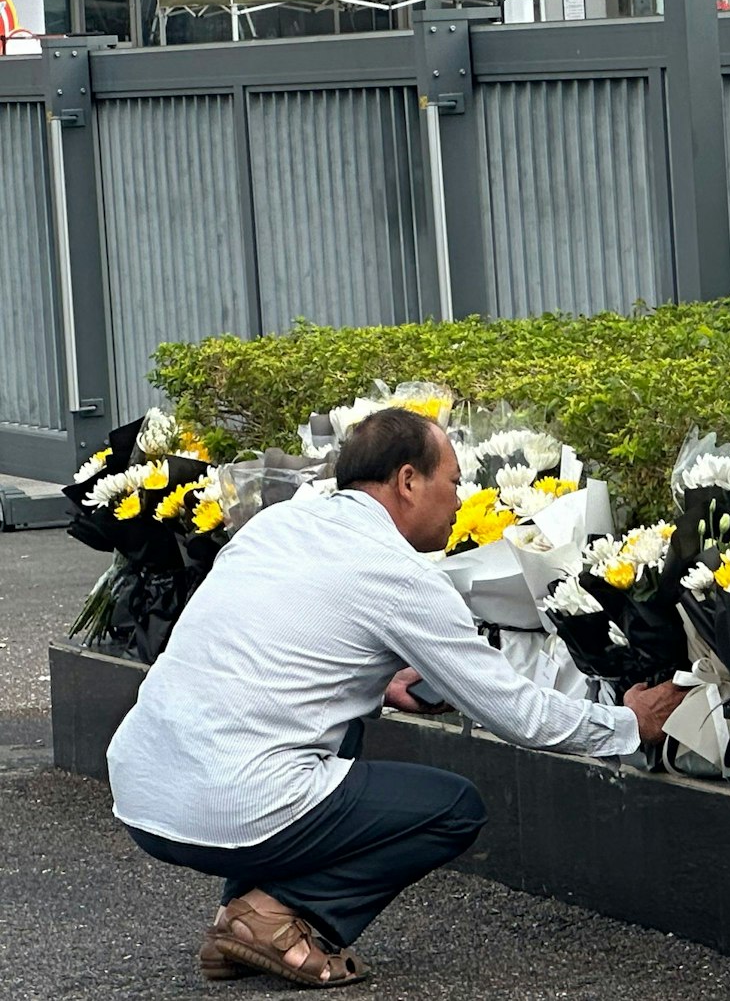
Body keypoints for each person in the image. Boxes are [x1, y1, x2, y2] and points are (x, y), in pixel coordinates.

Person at [105, 407, 686, 988]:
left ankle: (242, 918)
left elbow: (257, 640)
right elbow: (515, 712)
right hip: (228, 807)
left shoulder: (277, 524)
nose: (461, 500)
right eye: (455, 482)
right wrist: (626, 724)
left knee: (345, 729)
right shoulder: (398, 574)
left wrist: (377, 678)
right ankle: (273, 916)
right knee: (452, 809)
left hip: (141, 794)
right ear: (408, 481)